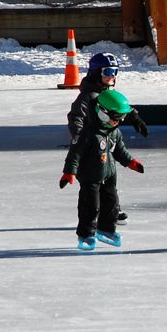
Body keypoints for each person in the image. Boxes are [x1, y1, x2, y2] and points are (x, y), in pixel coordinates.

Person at [65, 52, 148, 225]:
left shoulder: (108, 92)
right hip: (90, 145)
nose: (112, 76)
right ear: (96, 73)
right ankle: (91, 218)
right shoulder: (87, 96)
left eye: (115, 72)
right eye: (108, 72)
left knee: (109, 180)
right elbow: (75, 118)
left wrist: (135, 118)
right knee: (93, 184)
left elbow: (120, 107)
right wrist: (82, 137)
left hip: (107, 142)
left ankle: (112, 211)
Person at [59, 89, 145, 250]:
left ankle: (106, 229)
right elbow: (74, 154)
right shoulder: (87, 134)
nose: (119, 121)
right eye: (117, 117)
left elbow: (120, 150)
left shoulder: (114, 132)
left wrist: (131, 162)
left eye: (122, 117)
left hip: (109, 173)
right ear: (103, 113)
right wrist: (69, 172)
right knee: (91, 206)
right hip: (90, 176)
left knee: (112, 203)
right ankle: (86, 234)